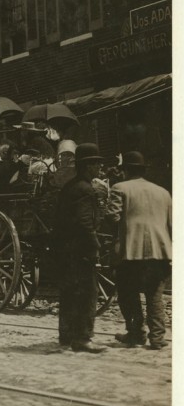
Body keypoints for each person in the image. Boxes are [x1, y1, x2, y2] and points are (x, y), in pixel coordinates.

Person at [105, 151, 172, 350]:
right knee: (155, 296)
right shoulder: (163, 192)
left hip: (131, 252)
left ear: (125, 170)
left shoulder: (120, 188)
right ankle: (158, 338)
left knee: (127, 293)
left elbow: (112, 217)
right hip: (160, 252)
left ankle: (136, 333)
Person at [52, 143, 106, 353]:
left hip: (65, 249)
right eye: (96, 164)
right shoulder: (85, 189)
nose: (100, 168)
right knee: (87, 293)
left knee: (69, 292)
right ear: (87, 166)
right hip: (80, 249)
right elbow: (85, 223)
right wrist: (95, 244)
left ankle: (66, 335)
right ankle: (83, 338)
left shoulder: (70, 186)